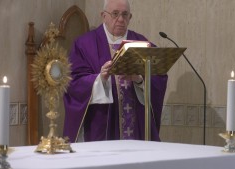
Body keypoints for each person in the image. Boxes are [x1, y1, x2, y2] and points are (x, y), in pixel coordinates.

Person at [63, 0, 168, 143]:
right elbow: (73, 83)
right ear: (103, 15)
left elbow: (159, 77)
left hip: (136, 126)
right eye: (115, 14)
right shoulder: (84, 44)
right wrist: (100, 79)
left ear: (130, 17)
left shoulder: (142, 44)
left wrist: (139, 80)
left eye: (125, 15)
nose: (120, 19)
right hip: (101, 124)